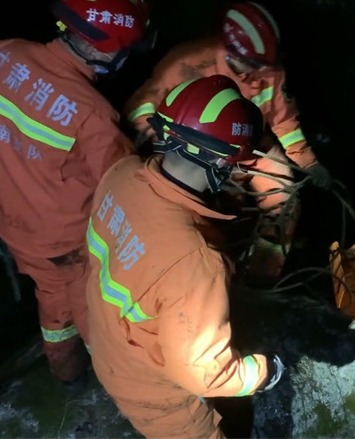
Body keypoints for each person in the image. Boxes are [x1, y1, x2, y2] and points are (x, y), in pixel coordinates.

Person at [86, 75, 284, 438]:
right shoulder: (194, 261)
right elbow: (205, 373)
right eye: (234, 162)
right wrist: (262, 372)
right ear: (221, 161)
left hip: (108, 341)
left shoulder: (122, 174)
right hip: (154, 391)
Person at [0, 0, 152, 391]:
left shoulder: (0, 54)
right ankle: (113, 382)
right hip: (65, 244)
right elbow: (124, 189)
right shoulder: (93, 115)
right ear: (104, 50)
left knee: (52, 296)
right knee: (91, 313)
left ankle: (68, 374)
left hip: (7, 219)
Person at [124, 1, 330, 279]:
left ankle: (260, 279)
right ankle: (196, 272)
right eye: (253, 64)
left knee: (284, 200)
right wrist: (166, 147)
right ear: (232, 51)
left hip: (252, 148)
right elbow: (141, 107)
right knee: (199, 212)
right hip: (195, 153)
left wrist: (308, 162)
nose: (259, 74)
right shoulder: (188, 63)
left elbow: (283, 122)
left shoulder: (269, 69)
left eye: (264, 65)